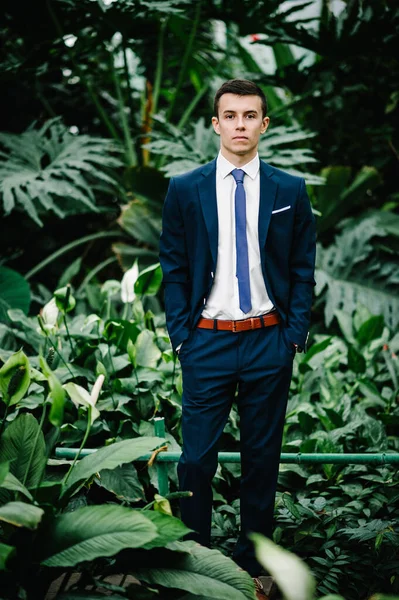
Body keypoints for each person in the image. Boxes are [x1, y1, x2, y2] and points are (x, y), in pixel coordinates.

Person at [159, 79, 316, 598]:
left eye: (251, 116)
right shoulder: (186, 188)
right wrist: (182, 336)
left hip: (268, 340)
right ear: (216, 124)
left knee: (261, 459)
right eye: (231, 116)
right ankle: (195, 559)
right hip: (207, 341)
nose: (241, 125)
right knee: (196, 460)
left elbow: (300, 268)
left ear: (263, 124)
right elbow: (175, 266)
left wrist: (293, 336)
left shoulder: (289, 190)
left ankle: (252, 564)